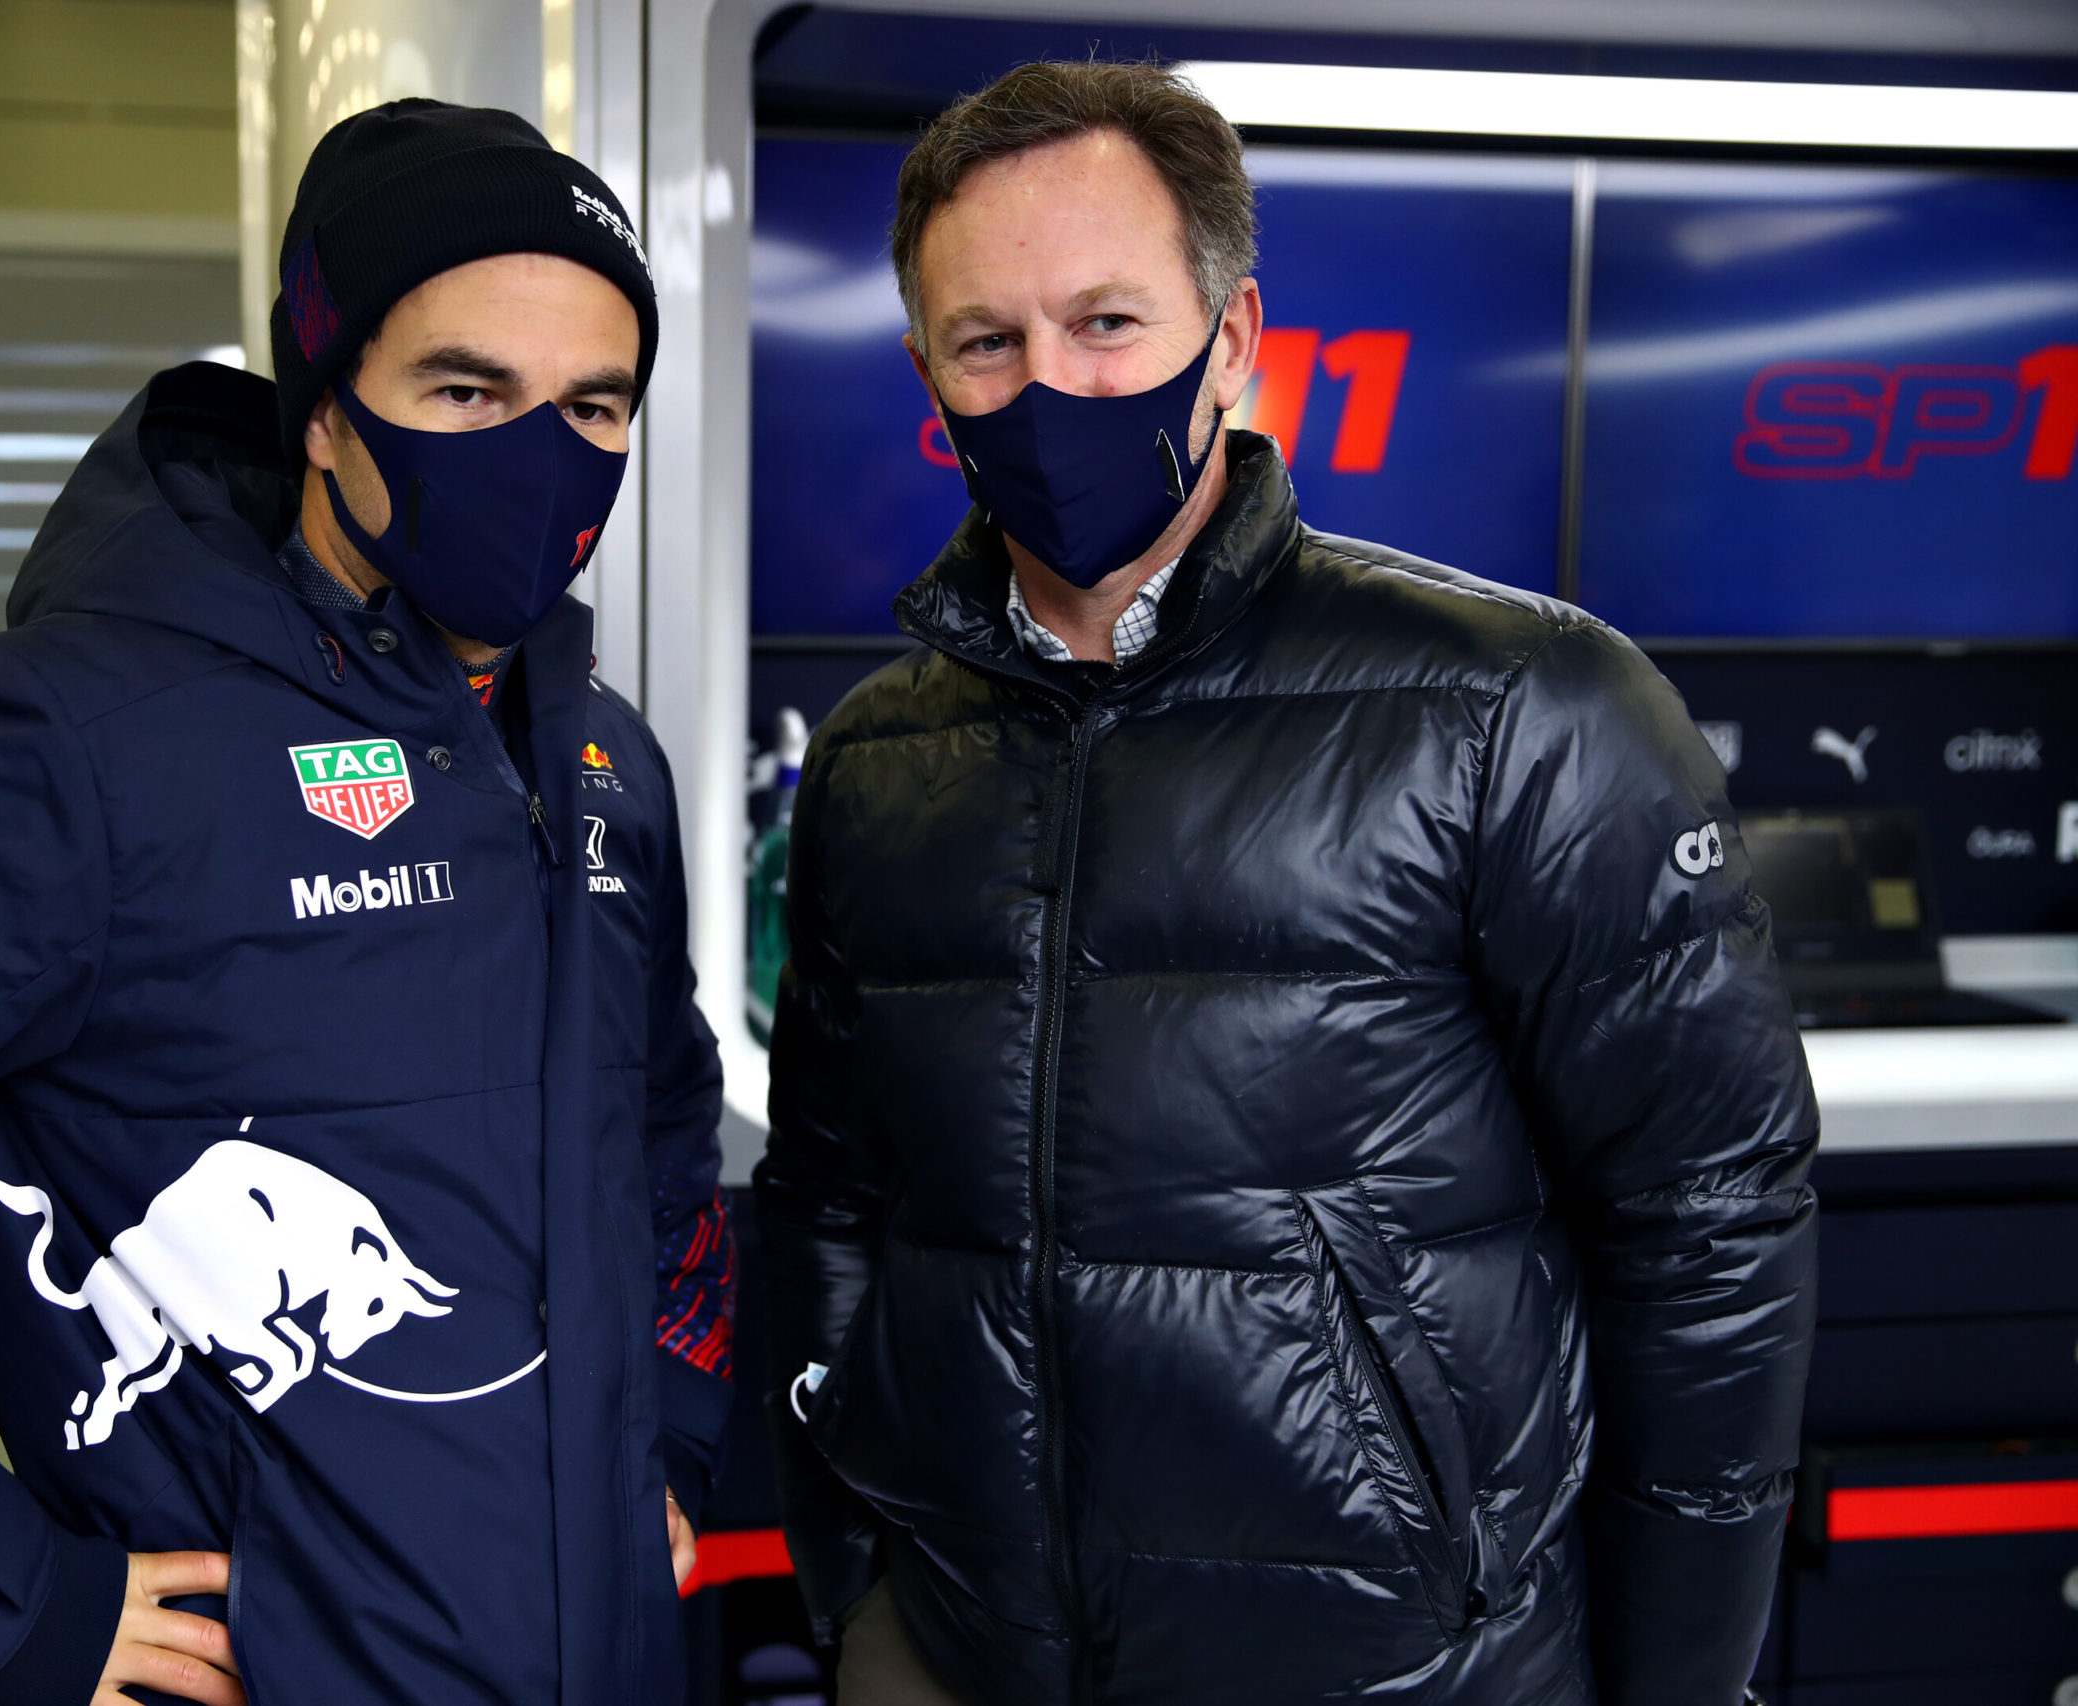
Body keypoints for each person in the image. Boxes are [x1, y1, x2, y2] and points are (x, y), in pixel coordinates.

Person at [0, 99, 733, 1706]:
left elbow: (661, 1127)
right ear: (322, 409)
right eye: (465, 389)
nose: (540, 452)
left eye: (592, 404)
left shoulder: (601, 759)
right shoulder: (76, 740)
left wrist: (675, 1426)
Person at [757, 61, 1814, 1706]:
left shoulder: (1519, 706)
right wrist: (853, 1574)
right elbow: (830, 1200)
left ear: (1234, 336)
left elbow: (1709, 1226)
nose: (1048, 385)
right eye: (987, 343)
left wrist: (1676, 1683)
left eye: (1108, 323)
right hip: (958, 1655)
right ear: (927, 375)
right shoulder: (877, 761)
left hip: (1398, 1670)